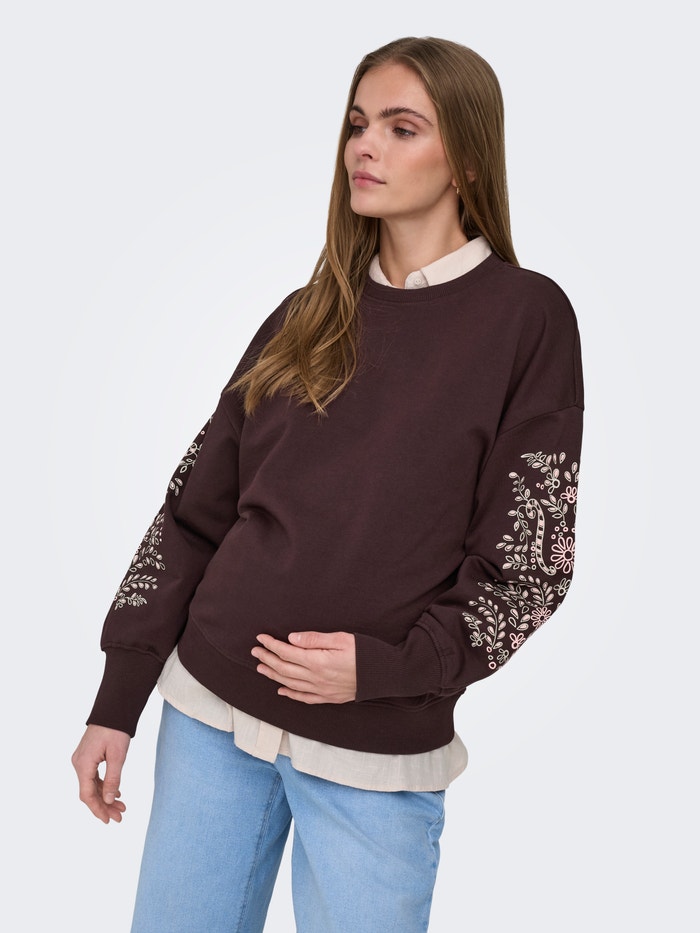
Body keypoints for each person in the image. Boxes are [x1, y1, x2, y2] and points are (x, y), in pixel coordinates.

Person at [71, 35, 584, 933]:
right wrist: (118, 699)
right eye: (356, 124)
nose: (364, 147)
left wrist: (388, 670)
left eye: (400, 127)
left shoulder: (527, 318)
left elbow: (531, 565)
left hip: (374, 754)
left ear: (465, 157)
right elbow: (192, 514)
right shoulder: (305, 316)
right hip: (208, 715)